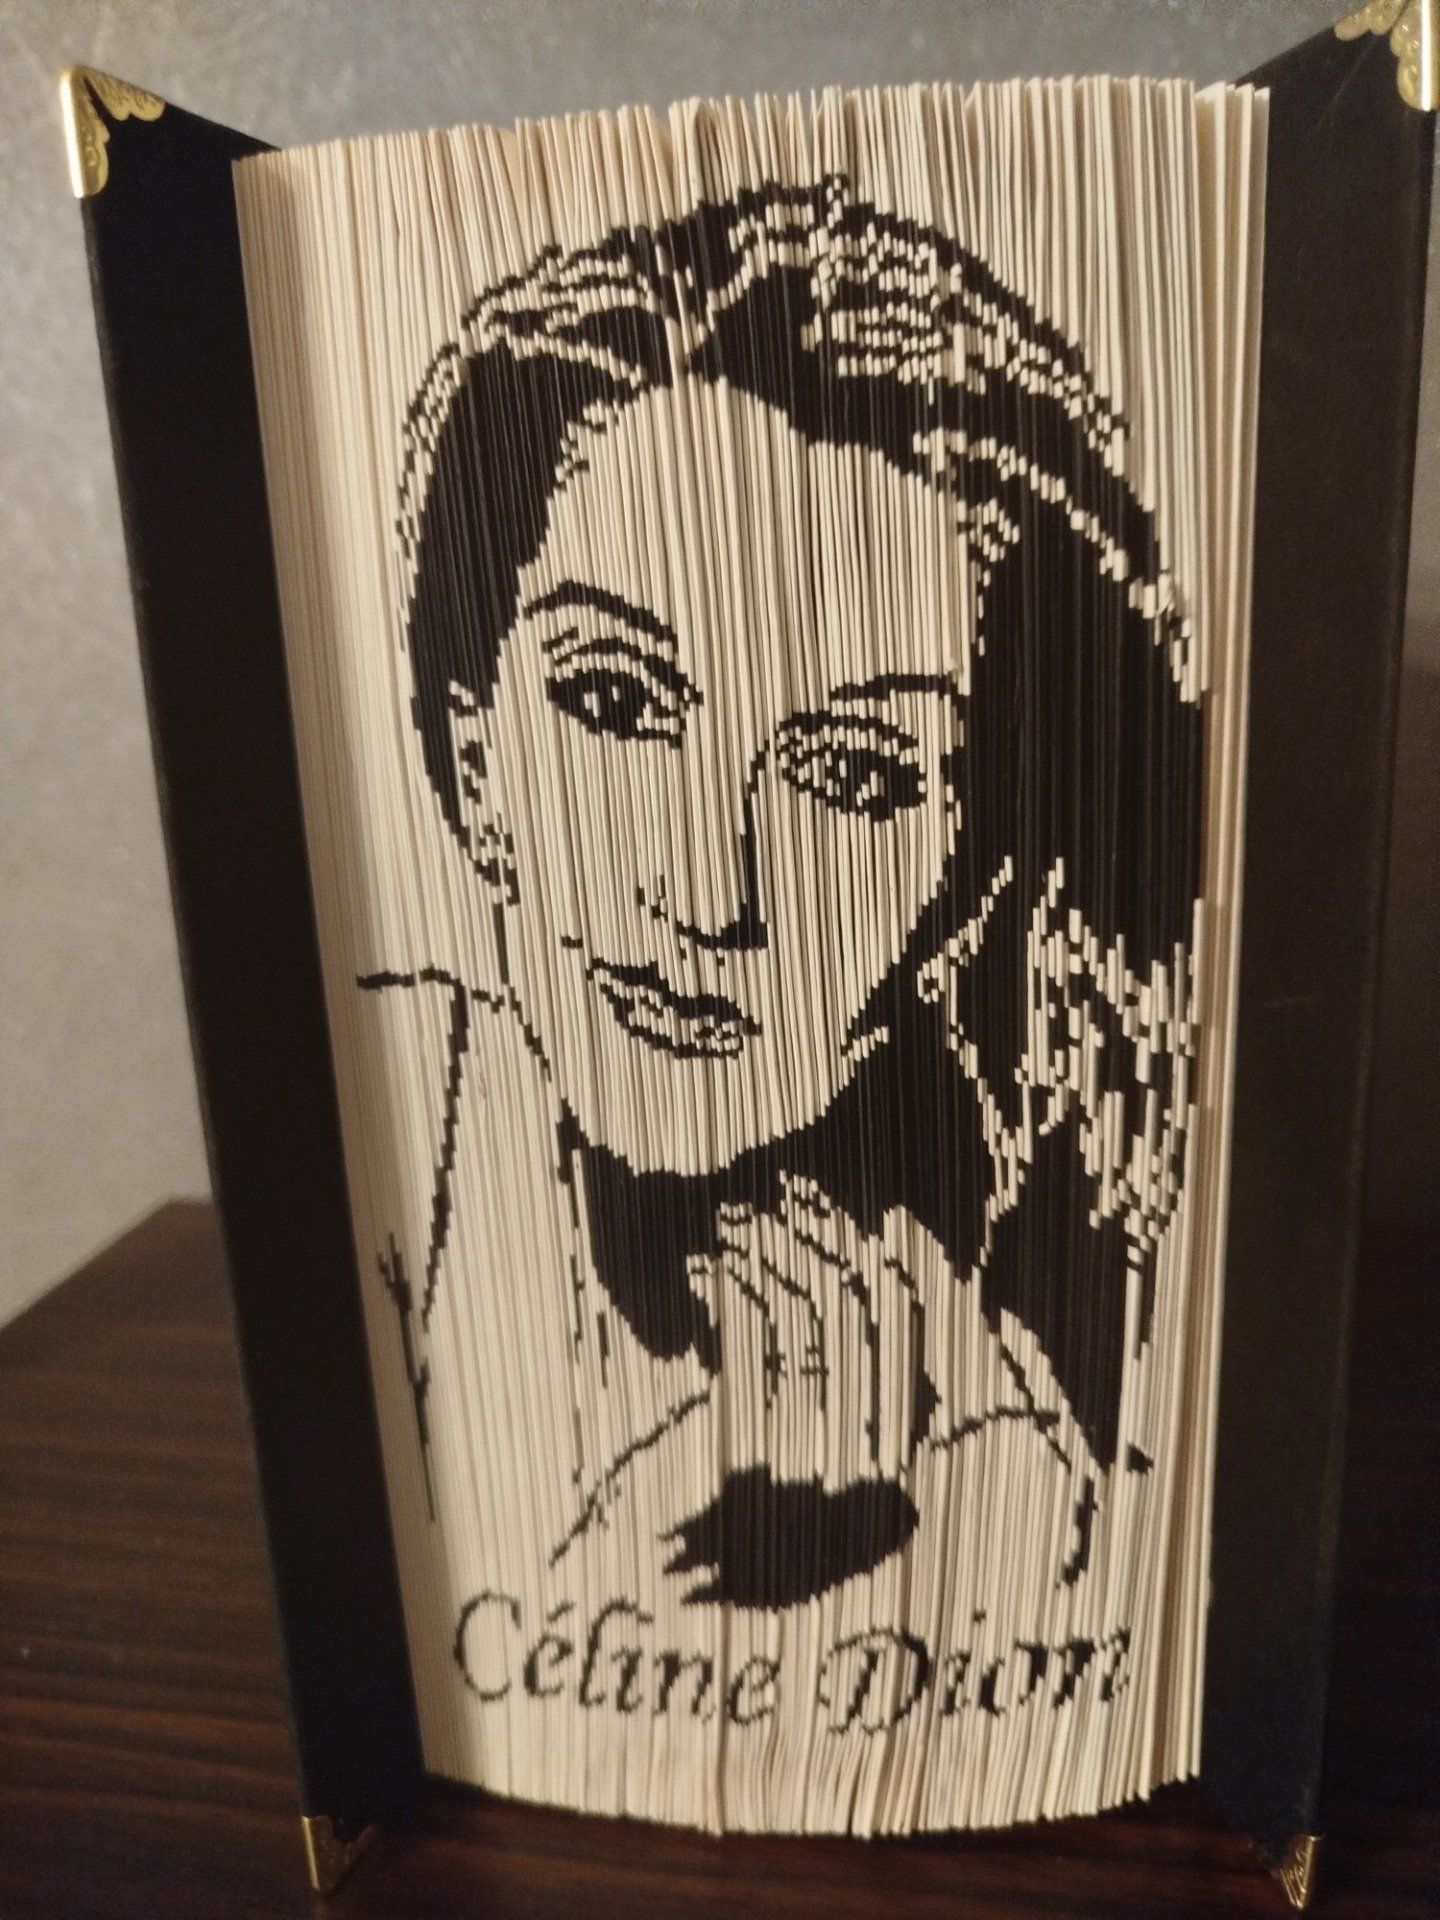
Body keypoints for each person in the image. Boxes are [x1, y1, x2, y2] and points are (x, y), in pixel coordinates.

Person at [360, 176, 1201, 1792]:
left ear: (966, 881)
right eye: (617, 701)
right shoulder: (378, 1126)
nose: (710, 895)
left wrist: (958, 1548)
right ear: (474, 762)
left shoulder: (1031, 1419)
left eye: (856, 774)